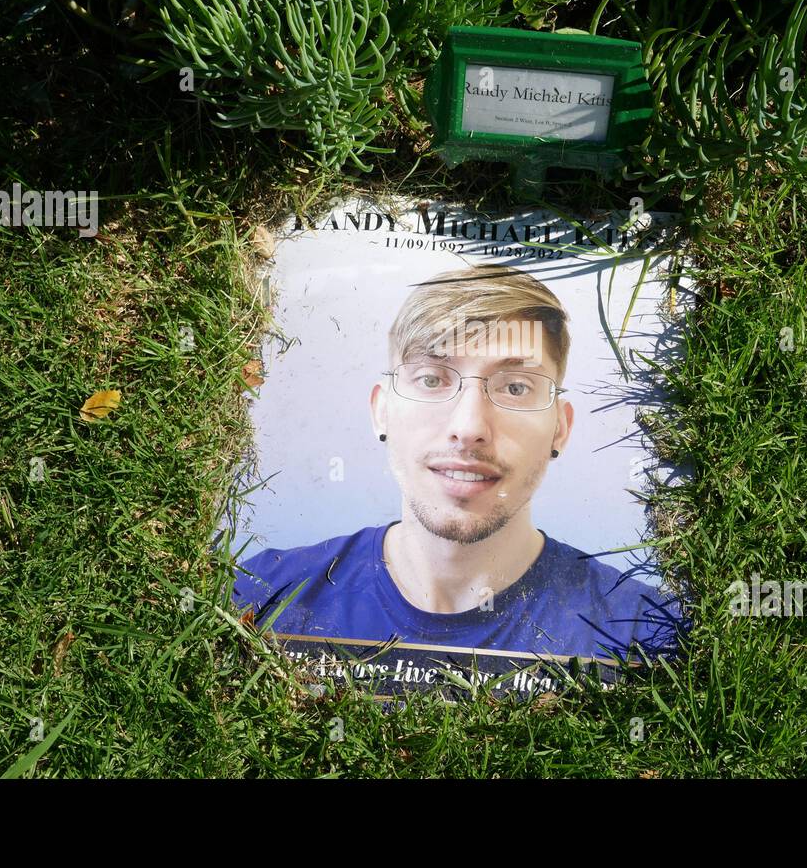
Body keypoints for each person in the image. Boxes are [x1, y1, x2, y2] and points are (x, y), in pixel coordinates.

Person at [232, 265, 683, 661]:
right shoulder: (258, 597)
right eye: (432, 379)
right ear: (381, 411)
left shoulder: (649, 635)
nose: (469, 427)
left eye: (515, 387)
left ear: (560, 429)